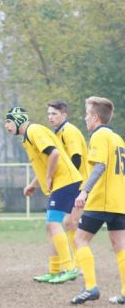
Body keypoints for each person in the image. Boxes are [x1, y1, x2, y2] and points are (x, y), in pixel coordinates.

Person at [4, 107, 82, 284]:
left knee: (53, 222)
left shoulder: (34, 130)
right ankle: (54, 271)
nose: (7, 126)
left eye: (8, 121)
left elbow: (54, 153)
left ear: (18, 120)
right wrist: (33, 184)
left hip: (66, 181)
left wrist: (48, 176)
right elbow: (44, 162)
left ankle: (69, 268)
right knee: (51, 226)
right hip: (62, 182)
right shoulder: (28, 137)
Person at [70, 97, 125, 304]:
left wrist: (84, 191)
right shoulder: (118, 138)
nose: (85, 119)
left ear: (95, 117)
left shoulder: (99, 135)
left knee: (80, 240)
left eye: (86, 114)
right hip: (119, 200)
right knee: (120, 245)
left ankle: (90, 287)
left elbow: (99, 166)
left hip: (102, 198)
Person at [47, 100, 89, 263]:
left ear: (64, 115)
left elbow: (76, 158)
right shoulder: (58, 133)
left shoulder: (68, 131)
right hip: (75, 183)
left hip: (79, 183)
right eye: (49, 113)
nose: (50, 117)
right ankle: (77, 263)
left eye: (54, 114)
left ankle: (78, 264)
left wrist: (69, 183)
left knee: (70, 222)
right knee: (70, 223)